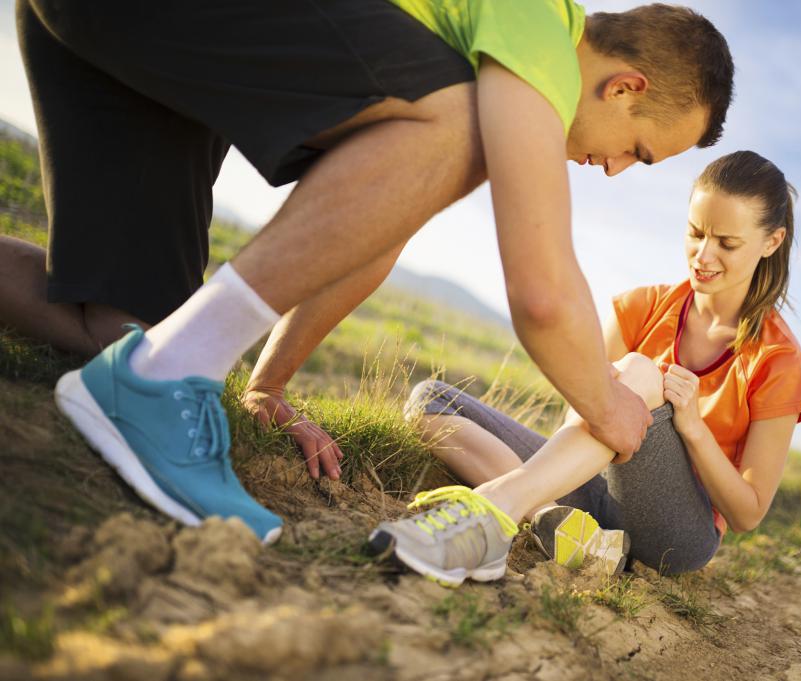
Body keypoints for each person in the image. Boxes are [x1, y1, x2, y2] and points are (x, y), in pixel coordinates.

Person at [14, 0, 734, 543]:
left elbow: (375, 221)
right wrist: (609, 407)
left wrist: (268, 385)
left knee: (116, 329)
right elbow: (541, 295)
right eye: (635, 151)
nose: (610, 171)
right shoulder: (537, 26)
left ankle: (157, 363)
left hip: (105, 24)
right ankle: (166, 376)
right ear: (624, 86)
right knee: (463, 127)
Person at [370, 151, 801, 584]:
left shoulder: (778, 359)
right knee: (429, 401)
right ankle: (554, 523)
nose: (703, 255)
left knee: (639, 371)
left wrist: (693, 428)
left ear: (770, 242)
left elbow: (747, 513)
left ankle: (491, 512)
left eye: (727, 243)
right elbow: (578, 414)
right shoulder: (642, 306)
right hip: (595, 488)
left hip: (677, 536)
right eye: (696, 233)